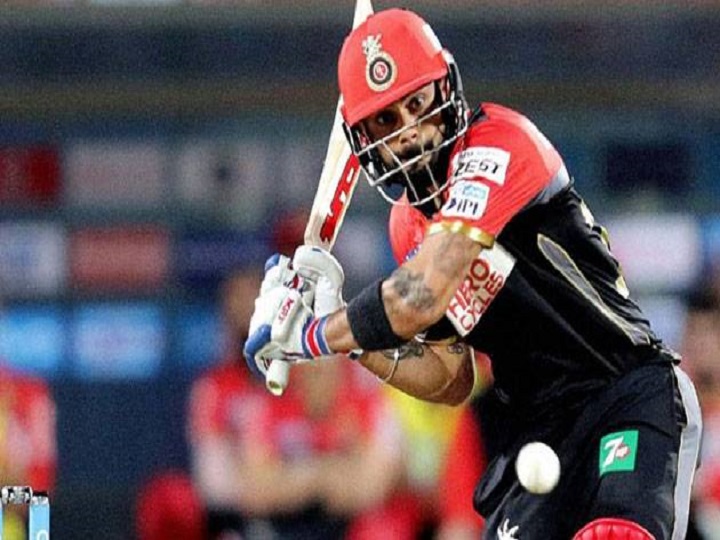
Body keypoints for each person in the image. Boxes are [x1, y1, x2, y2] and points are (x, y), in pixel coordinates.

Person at [244, 7, 703, 540]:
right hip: (539, 433)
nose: (409, 131)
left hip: (625, 393)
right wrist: (352, 341)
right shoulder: (407, 227)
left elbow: (418, 296)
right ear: (363, 138)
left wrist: (313, 333)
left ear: (446, 88)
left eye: (417, 103)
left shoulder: (499, 146)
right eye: (386, 121)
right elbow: (451, 376)